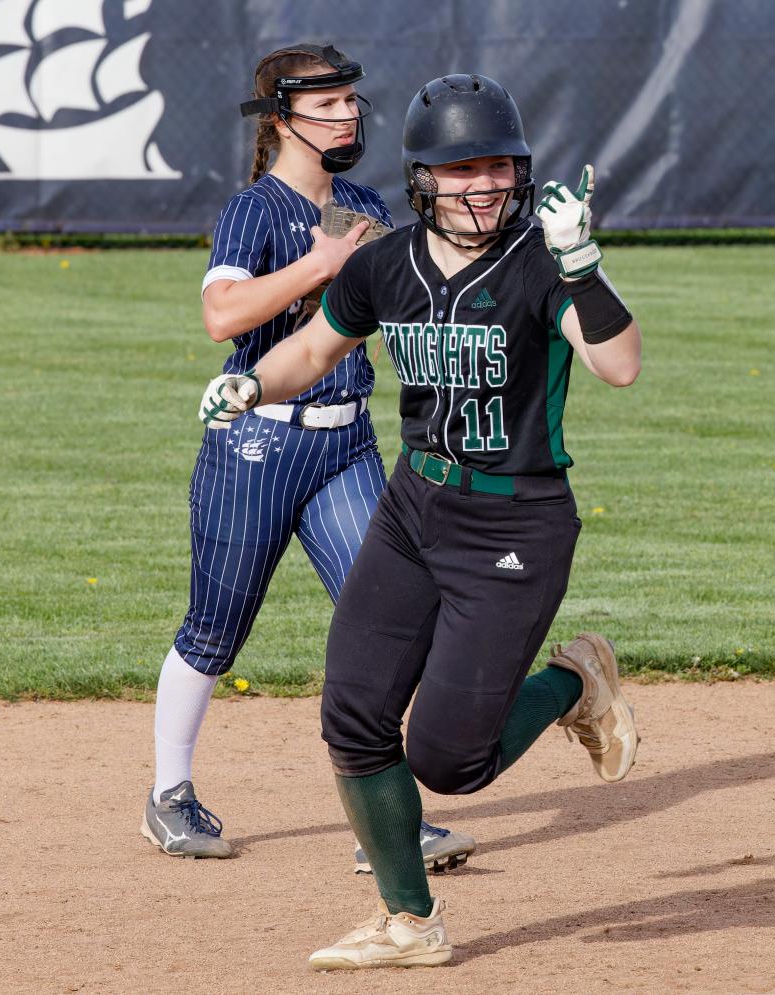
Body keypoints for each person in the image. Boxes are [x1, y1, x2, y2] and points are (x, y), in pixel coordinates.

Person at [198, 73, 642, 970]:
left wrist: (584, 264)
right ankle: (409, 921)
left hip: (514, 525)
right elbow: (315, 347)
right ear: (422, 179)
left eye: (498, 167)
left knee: (451, 760)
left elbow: (619, 364)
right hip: (413, 509)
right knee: (353, 715)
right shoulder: (385, 262)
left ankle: (575, 682)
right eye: (460, 168)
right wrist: (252, 383)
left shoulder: (538, 261)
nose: (482, 185)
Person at [142, 43, 476, 873]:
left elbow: (413, 300)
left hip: (347, 444)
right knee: (214, 628)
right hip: (256, 443)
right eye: (327, 103)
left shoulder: (364, 202)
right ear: (281, 118)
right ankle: (169, 793)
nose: (348, 114)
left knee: (388, 621)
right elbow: (222, 317)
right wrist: (317, 267)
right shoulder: (255, 210)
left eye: (351, 100)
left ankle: (389, 819)